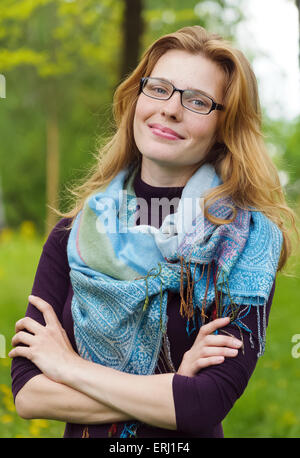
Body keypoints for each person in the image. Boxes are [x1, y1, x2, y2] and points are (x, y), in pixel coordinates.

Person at [10, 25, 297, 438]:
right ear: (137, 99)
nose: (170, 109)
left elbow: (205, 405)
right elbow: (29, 394)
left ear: (225, 126)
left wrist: (69, 368)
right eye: (159, 88)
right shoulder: (73, 235)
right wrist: (172, 386)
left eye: (197, 101)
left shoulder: (243, 243)